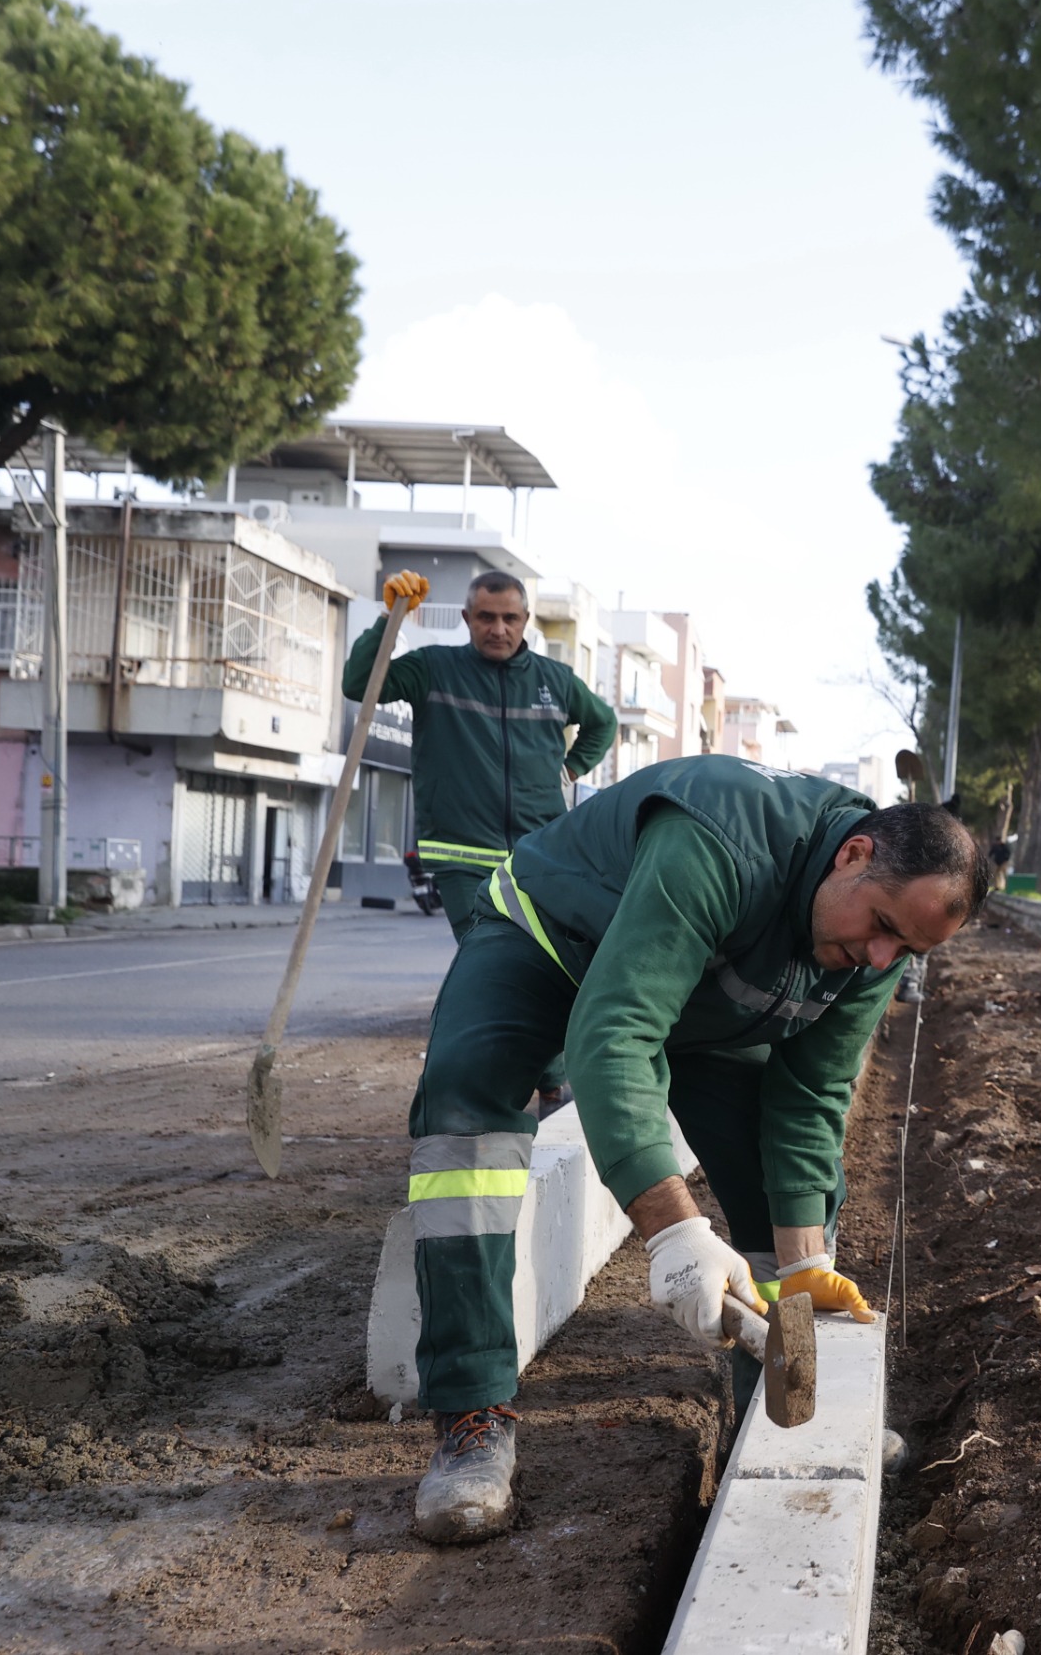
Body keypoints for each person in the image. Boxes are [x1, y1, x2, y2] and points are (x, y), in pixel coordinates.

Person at [405, 755, 987, 1543]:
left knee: (781, 1185)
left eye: (907, 951)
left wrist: (803, 1259)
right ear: (854, 855)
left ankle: (786, 1401)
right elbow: (616, 1036)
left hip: (698, 994)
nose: (884, 959)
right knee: (465, 1121)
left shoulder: (877, 948)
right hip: (552, 942)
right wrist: (676, 1232)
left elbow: (810, 1094)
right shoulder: (718, 842)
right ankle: (472, 1415)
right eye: (883, 928)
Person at [345, 569, 616, 940]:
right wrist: (388, 619)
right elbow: (359, 683)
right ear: (467, 618)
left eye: (510, 619)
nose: (499, 629)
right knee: (487, 952)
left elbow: (604, 723)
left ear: (525, 621)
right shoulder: (433, 669)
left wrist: (570, 770)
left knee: (544, 959)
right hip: (461, 856)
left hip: (538, 852)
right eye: (486, 617)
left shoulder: (555, 680)